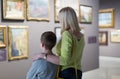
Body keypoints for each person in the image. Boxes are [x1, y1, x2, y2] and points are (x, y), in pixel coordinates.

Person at [33, 7, 85, 79]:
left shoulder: (67, 34)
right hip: (78, 72)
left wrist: (42, 56)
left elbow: (64, 61)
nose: (59, 20)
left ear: (65, 19)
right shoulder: (81, 35)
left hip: (67, 73)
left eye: (60, 18)